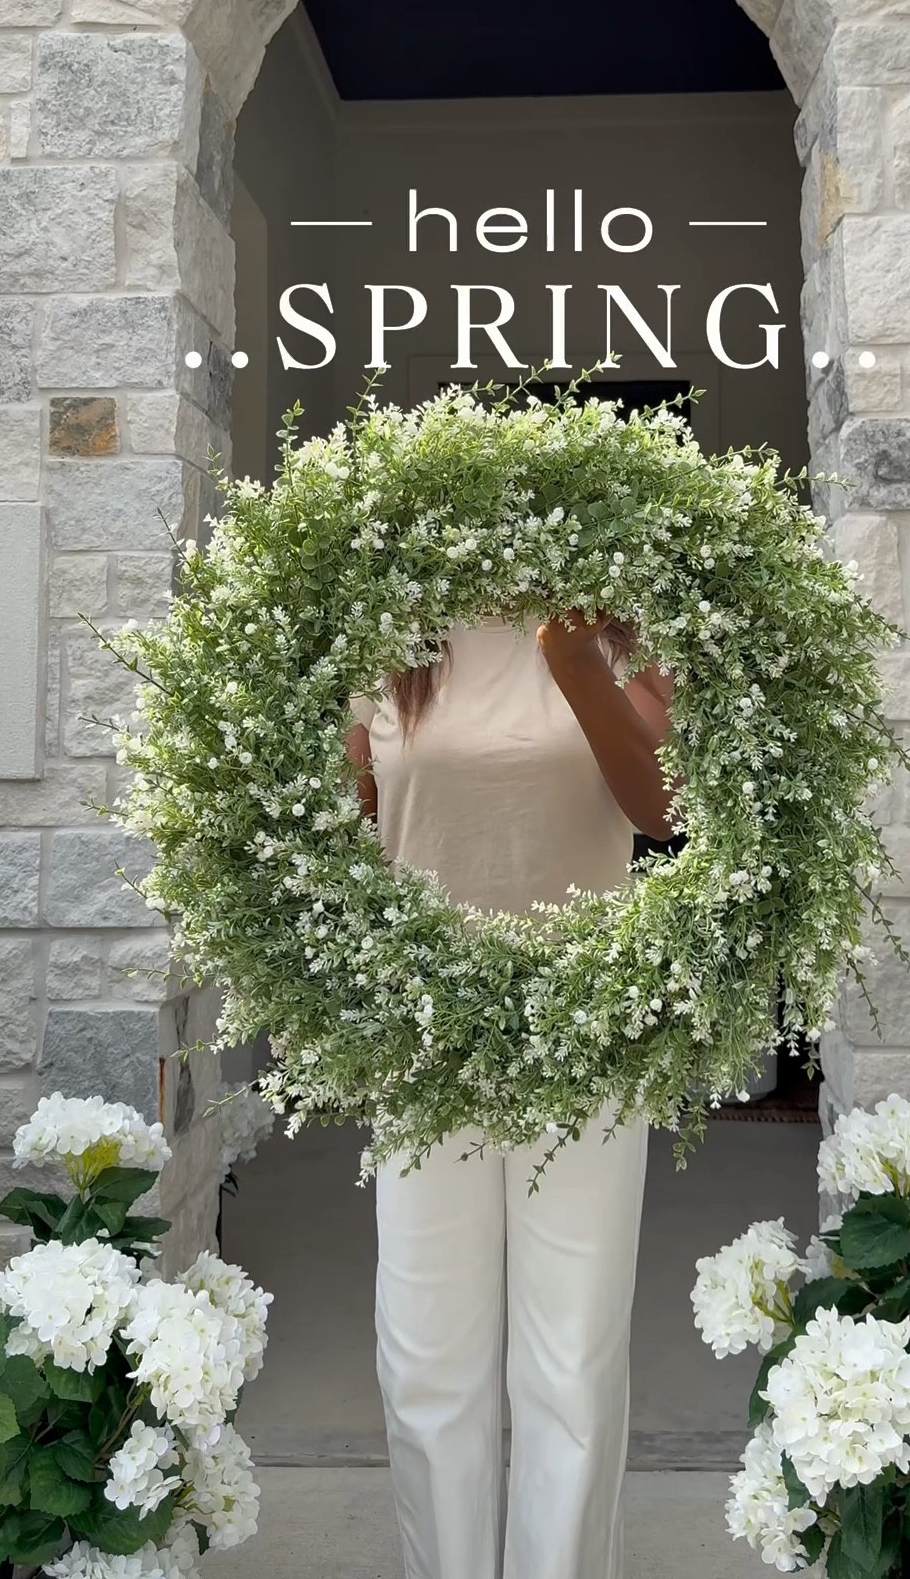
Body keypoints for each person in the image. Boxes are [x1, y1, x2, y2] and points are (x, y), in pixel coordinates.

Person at [343, 605, 678, 1579]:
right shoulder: (385, 623)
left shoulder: (620, 619)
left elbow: (666, 807)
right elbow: (351, 824)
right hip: (424, 1043)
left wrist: (571, 661)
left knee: (571, 1369)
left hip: (585, 1034)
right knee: (427, 1366)